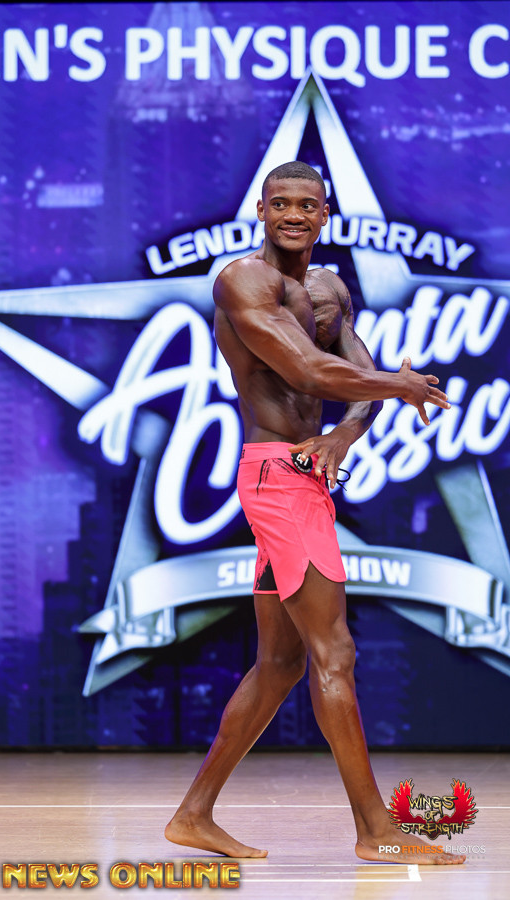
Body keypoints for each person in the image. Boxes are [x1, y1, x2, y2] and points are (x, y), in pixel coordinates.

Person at [165, 161, 464, 865]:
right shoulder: (243, 282)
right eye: (282, 204)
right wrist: (396, 385)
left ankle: (193, 816)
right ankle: (376, 830)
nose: (294, 215)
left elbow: (354, 378)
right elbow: (307, 370)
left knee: (280, 663)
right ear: (261, 210)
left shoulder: (329, 290)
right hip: (277, 480)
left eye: (308, 204)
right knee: (335, 653)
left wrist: (344, 435)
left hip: (303, 477)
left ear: (325, 214)